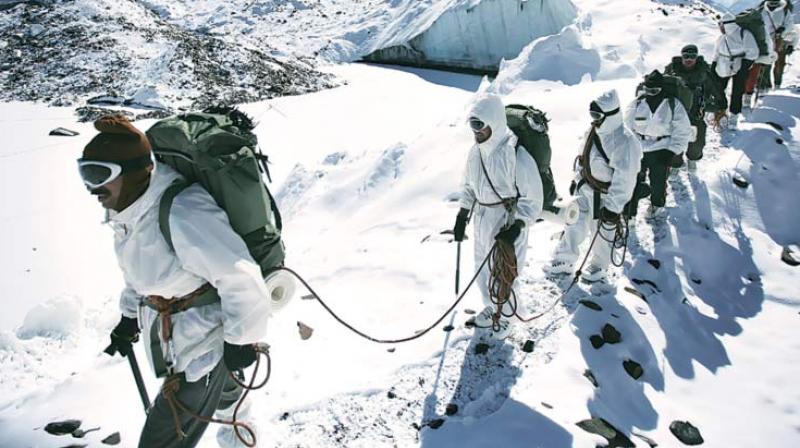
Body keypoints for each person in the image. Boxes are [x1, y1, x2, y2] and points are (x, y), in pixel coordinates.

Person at [80, 115, 268, 448]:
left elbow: (240, 276)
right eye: (85, 173)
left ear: (135, 170)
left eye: (99, 174)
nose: (92, 188)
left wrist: (241, 340)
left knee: (162, 438)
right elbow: (140, 273)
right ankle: (241, 441)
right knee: (228, 399)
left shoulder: (182, 210)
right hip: (178, 336)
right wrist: (128, 318)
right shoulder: (130, 212)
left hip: (204, 340)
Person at [453, 94, 543, 340]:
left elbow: (532, 199)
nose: (476, 132)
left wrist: (518, 226)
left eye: (480, 125)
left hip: (506, 220)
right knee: (482, 267)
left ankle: (507, 318)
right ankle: (492, 308)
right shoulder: (476, 152)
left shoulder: (516, 154)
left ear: (494, 121)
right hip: (482, 217)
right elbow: (469, 186)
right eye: (473, 126)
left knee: (505, 271)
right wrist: (463, 213)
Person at [547, 90, 642, 283]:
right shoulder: (593, 131)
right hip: (585, 188)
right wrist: (576, 181)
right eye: (592, 115)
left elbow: (625, 179)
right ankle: (564, 260)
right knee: (574, 223)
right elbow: (583, 157)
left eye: (597, 116)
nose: (594, 120)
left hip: (606, 195)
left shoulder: (625, 141)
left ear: (611, 115)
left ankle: (598, 266)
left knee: (602, 232)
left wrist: (614, 208)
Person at [625, 70, 692, 220]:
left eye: (654, 91)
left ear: (661, 90)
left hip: (661, 148)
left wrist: (671, 151)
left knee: (658, 182)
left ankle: (657, 206)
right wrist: (630, 147)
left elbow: (682, 131)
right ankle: (630, 212)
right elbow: (626, 128)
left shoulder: (673, 105)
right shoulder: (636, 103)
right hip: (639, 148)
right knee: (633, 181)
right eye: (648, 90)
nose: (650, 94)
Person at [664, 44, 726, 171]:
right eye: (686, 56)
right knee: (674, 143)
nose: (689, 59)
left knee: (697, 144)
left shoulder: (705, 73)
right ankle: (675, 165)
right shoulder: (671, 71)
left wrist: (722, 105)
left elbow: (716, 88)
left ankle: (692, 160)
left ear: (697, 57)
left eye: (692, 56)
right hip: (675, 115)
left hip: (696, 113)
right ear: (681, 57)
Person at [712, 13, 760, 129]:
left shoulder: (744, 34)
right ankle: (721, 113)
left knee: (737, 91)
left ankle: (734, 116)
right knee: (718, 90)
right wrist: (713, 65)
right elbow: (717, 53)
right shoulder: (722, 38)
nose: (720, 27)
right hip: (723, 66)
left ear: (726, 25)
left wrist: (744, 67)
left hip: (739, 66)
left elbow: (753, 52)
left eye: (721, 25)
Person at [761, 0, 798, 89]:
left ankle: (777, 84)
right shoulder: (763, 11)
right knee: (766, 63)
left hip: (780, 40)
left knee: (779, 64)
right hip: (767, 40)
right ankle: (766, 85)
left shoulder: (785, 11)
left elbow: (789, 25)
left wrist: (783, 29)